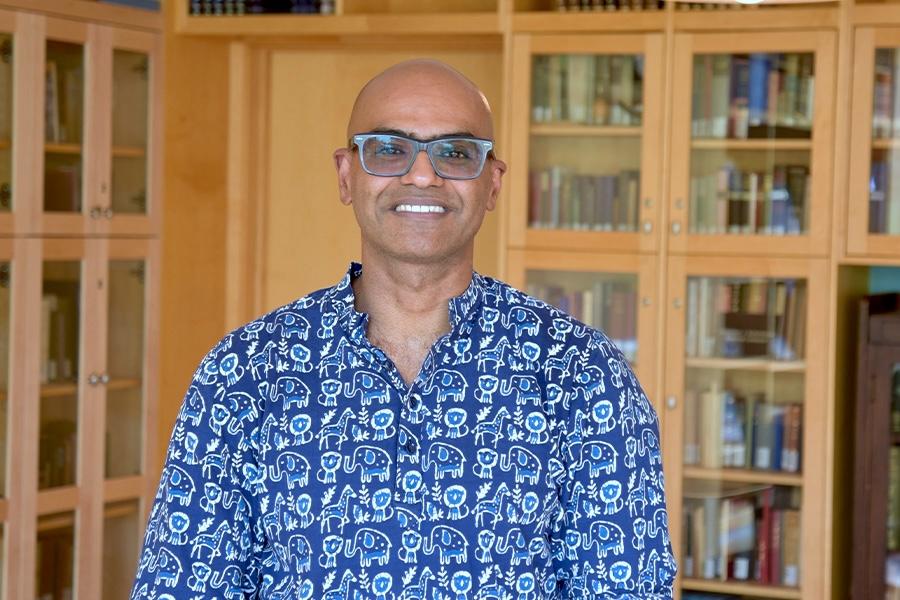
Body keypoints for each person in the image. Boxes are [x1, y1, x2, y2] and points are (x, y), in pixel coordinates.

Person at [131, 59, 676, 599]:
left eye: (455, 153)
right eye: (389, 150)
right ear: (347, 175)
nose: (422, 175)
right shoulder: (247, 371)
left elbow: (626, 586)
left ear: (492, 183)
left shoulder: (581, 372)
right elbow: (181, 585)